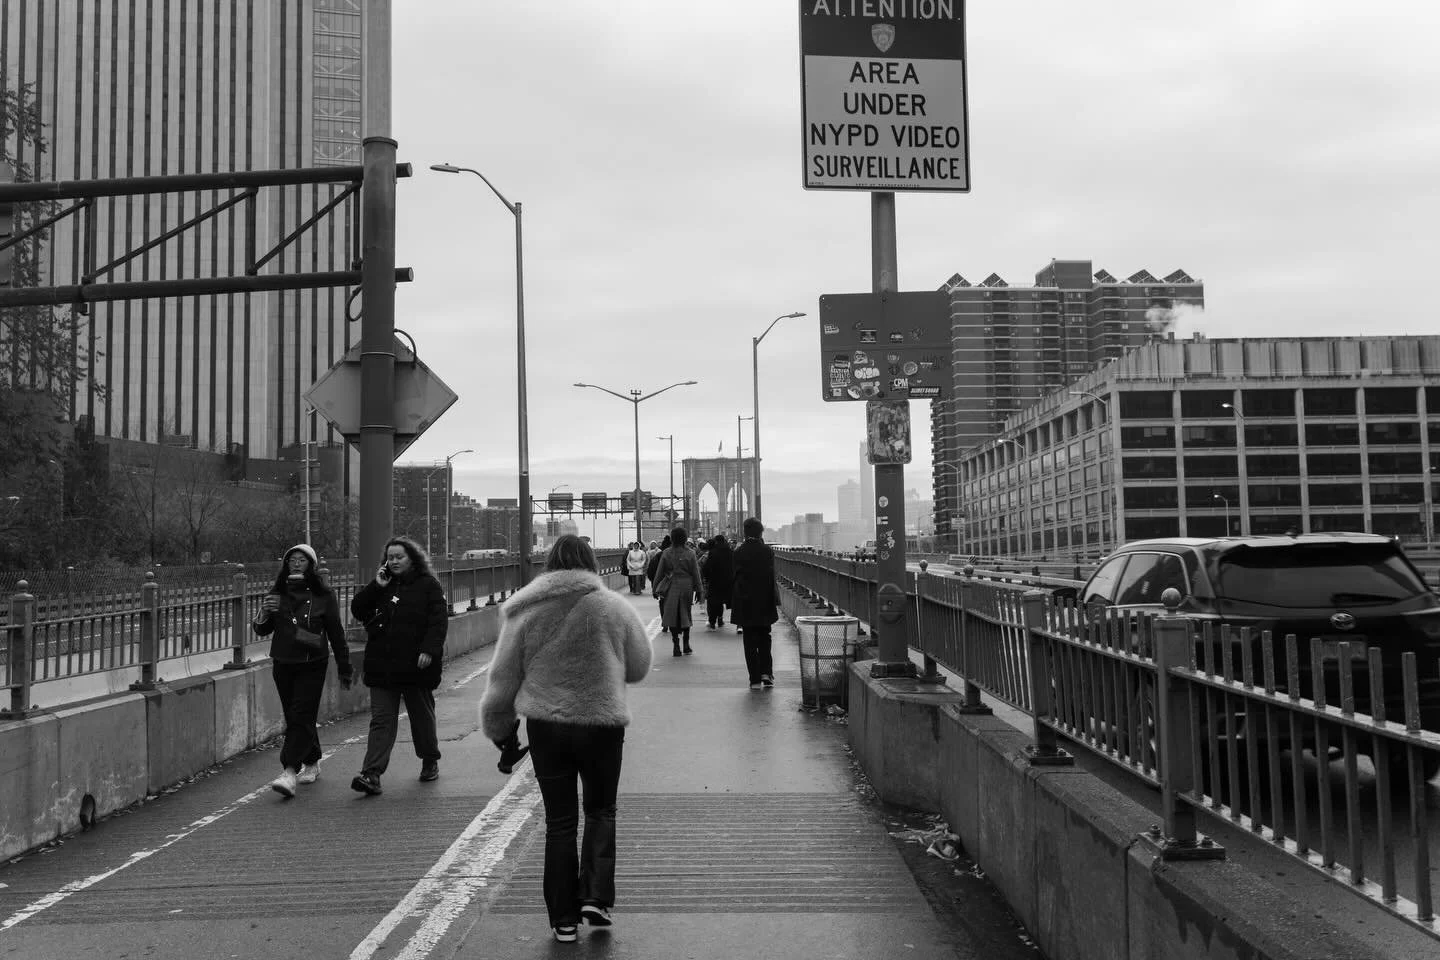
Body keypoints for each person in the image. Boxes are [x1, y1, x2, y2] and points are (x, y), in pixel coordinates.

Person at [480, 534, 652, 943]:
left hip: (548, 726)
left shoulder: (525, 612)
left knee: (559, 822)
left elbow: (503, 680)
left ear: (549, 565)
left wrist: (502, 734)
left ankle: (564, 920)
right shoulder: (612, 606)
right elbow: (639, 667)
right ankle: (595, 897)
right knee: (601, 810)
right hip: (601, 724)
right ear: (591, 563)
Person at [349, 536, 449, 795]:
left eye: (399, 557)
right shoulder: (383, 585)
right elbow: (358, 610)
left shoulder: (429, 585)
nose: (393, 562)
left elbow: (438, 622)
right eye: (390, 557)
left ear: (411, 558)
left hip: (416, 664)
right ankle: (371, 774)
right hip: (382, 665)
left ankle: (429, 760)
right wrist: (376, 586)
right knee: (382, 721)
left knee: (421, 717)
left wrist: (429, 650)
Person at [252, 544, 353, 798]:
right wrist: (264, 613)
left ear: (311, 565)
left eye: (302, 560)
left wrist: (345, 667)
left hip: (312, 662)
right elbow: (262, 631)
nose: (296, 564)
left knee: (300, 713)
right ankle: (312, 760)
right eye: (291, 560)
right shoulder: (278, 592)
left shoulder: (323, 595)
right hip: (283, 662)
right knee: (296, 716)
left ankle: (288, 771)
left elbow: (336, 634)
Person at [731, 517, 780, 689]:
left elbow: (734, 576)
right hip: (764, 600)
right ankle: (767, 673)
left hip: (745, 602)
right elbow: (771, 575)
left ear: (745, 532)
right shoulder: (767, 551)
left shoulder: (738, 552)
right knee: (765, 637)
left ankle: (754, 679)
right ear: (760, 532)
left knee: (749, 640)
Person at [653, 526, 704, 657]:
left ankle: (676, 645)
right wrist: (699, 591)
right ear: (684, 538)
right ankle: (686, 644)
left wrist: (655, 588)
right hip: (687, 586)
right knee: (685, 614)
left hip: (671, 586)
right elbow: (696, 574)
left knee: (672, 615)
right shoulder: (691, 553)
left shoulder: (667, 553)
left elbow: (659, 573)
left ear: (672, 538)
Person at [701, 535, 734, 630]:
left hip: (715, 581)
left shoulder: (713, 552)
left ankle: (712, 621)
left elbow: (706, 567)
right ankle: (722, 620)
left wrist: (706, 578)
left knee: (714, 602)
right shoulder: (731, 552)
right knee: (727, 600)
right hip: (729, 582)